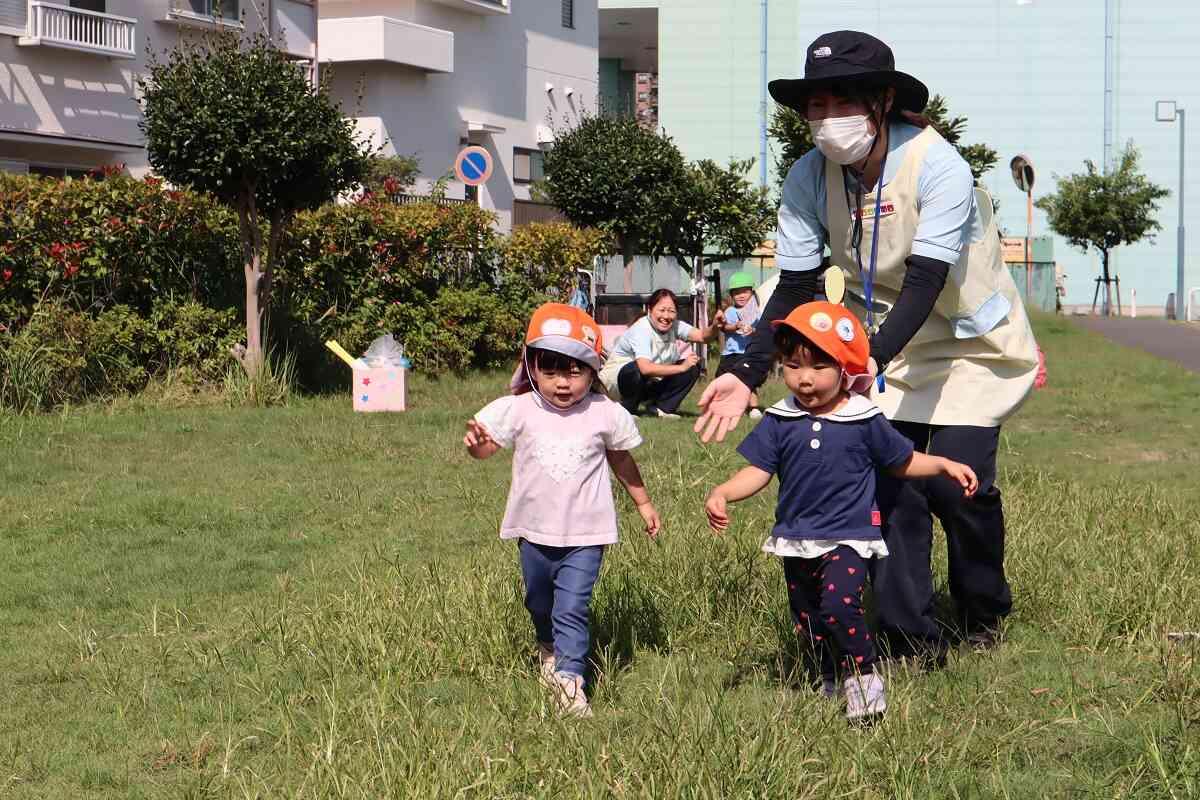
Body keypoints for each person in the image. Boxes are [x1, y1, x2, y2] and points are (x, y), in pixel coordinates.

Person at [695, 31, 1039, 662]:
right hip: (880, 342)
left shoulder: (939, 165)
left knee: (959, 487)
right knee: (891, 483)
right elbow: (797, 283)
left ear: (883, 101)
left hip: (970, 346)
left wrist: (867, 361)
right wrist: (746, 370)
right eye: (816, 106)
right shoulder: (807, 176)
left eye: (843, 103)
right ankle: (912, 635)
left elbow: (927, 278)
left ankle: (982, 607)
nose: (828, 121)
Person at [705, 302, 978, 721]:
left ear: (845, 367)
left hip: (850, 535)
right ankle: (828, 675)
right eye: (793, 366)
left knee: (838, 605)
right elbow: (758, 471)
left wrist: (941, 464)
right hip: (796, 537)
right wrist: (724, 492)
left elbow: (900, 461)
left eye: (818, 367)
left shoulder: (862, 418)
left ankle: (864, 678)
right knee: (808, 619)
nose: (805, 378)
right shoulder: (780, 419)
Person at [465, 303, 661, 717]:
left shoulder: (603, 413)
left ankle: (571, 683)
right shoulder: (518, 408)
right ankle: (548, 646)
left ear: (592, 371)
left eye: (574, 371)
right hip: (533, 532)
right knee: (540, 601)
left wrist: (642, 502)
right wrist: (477, 445)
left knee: (572, 606)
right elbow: (487, 447)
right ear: (532, 366)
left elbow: (622, 459)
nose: (562, 383)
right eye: (551, 371)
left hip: (587, 535)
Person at [598, 288, 721, 419]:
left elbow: (702, 336)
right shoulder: (642, 329)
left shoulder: (675, 325)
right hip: (617, 385)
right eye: (662, 310)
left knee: (692, 367)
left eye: (671, 311)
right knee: (636, 369)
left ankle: (661, 408)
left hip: (649, 381)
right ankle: (627, 409)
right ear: (650, 310)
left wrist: (715, 326)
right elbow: (645, 368)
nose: (666, 316)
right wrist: (680, 367)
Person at [715, 271, 763, 420]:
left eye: (745, 292)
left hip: (748, 353)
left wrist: (753, 330)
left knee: (749, 381)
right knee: (723, 380)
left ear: (752, 293)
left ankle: (753, 408)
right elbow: (724, 328)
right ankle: (728, 405)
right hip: (731, 354)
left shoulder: (756, 313)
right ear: (732, 296)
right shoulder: (730, 311)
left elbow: (761, 331)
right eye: (737, 293)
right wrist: (735, 326)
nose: (741, 296)